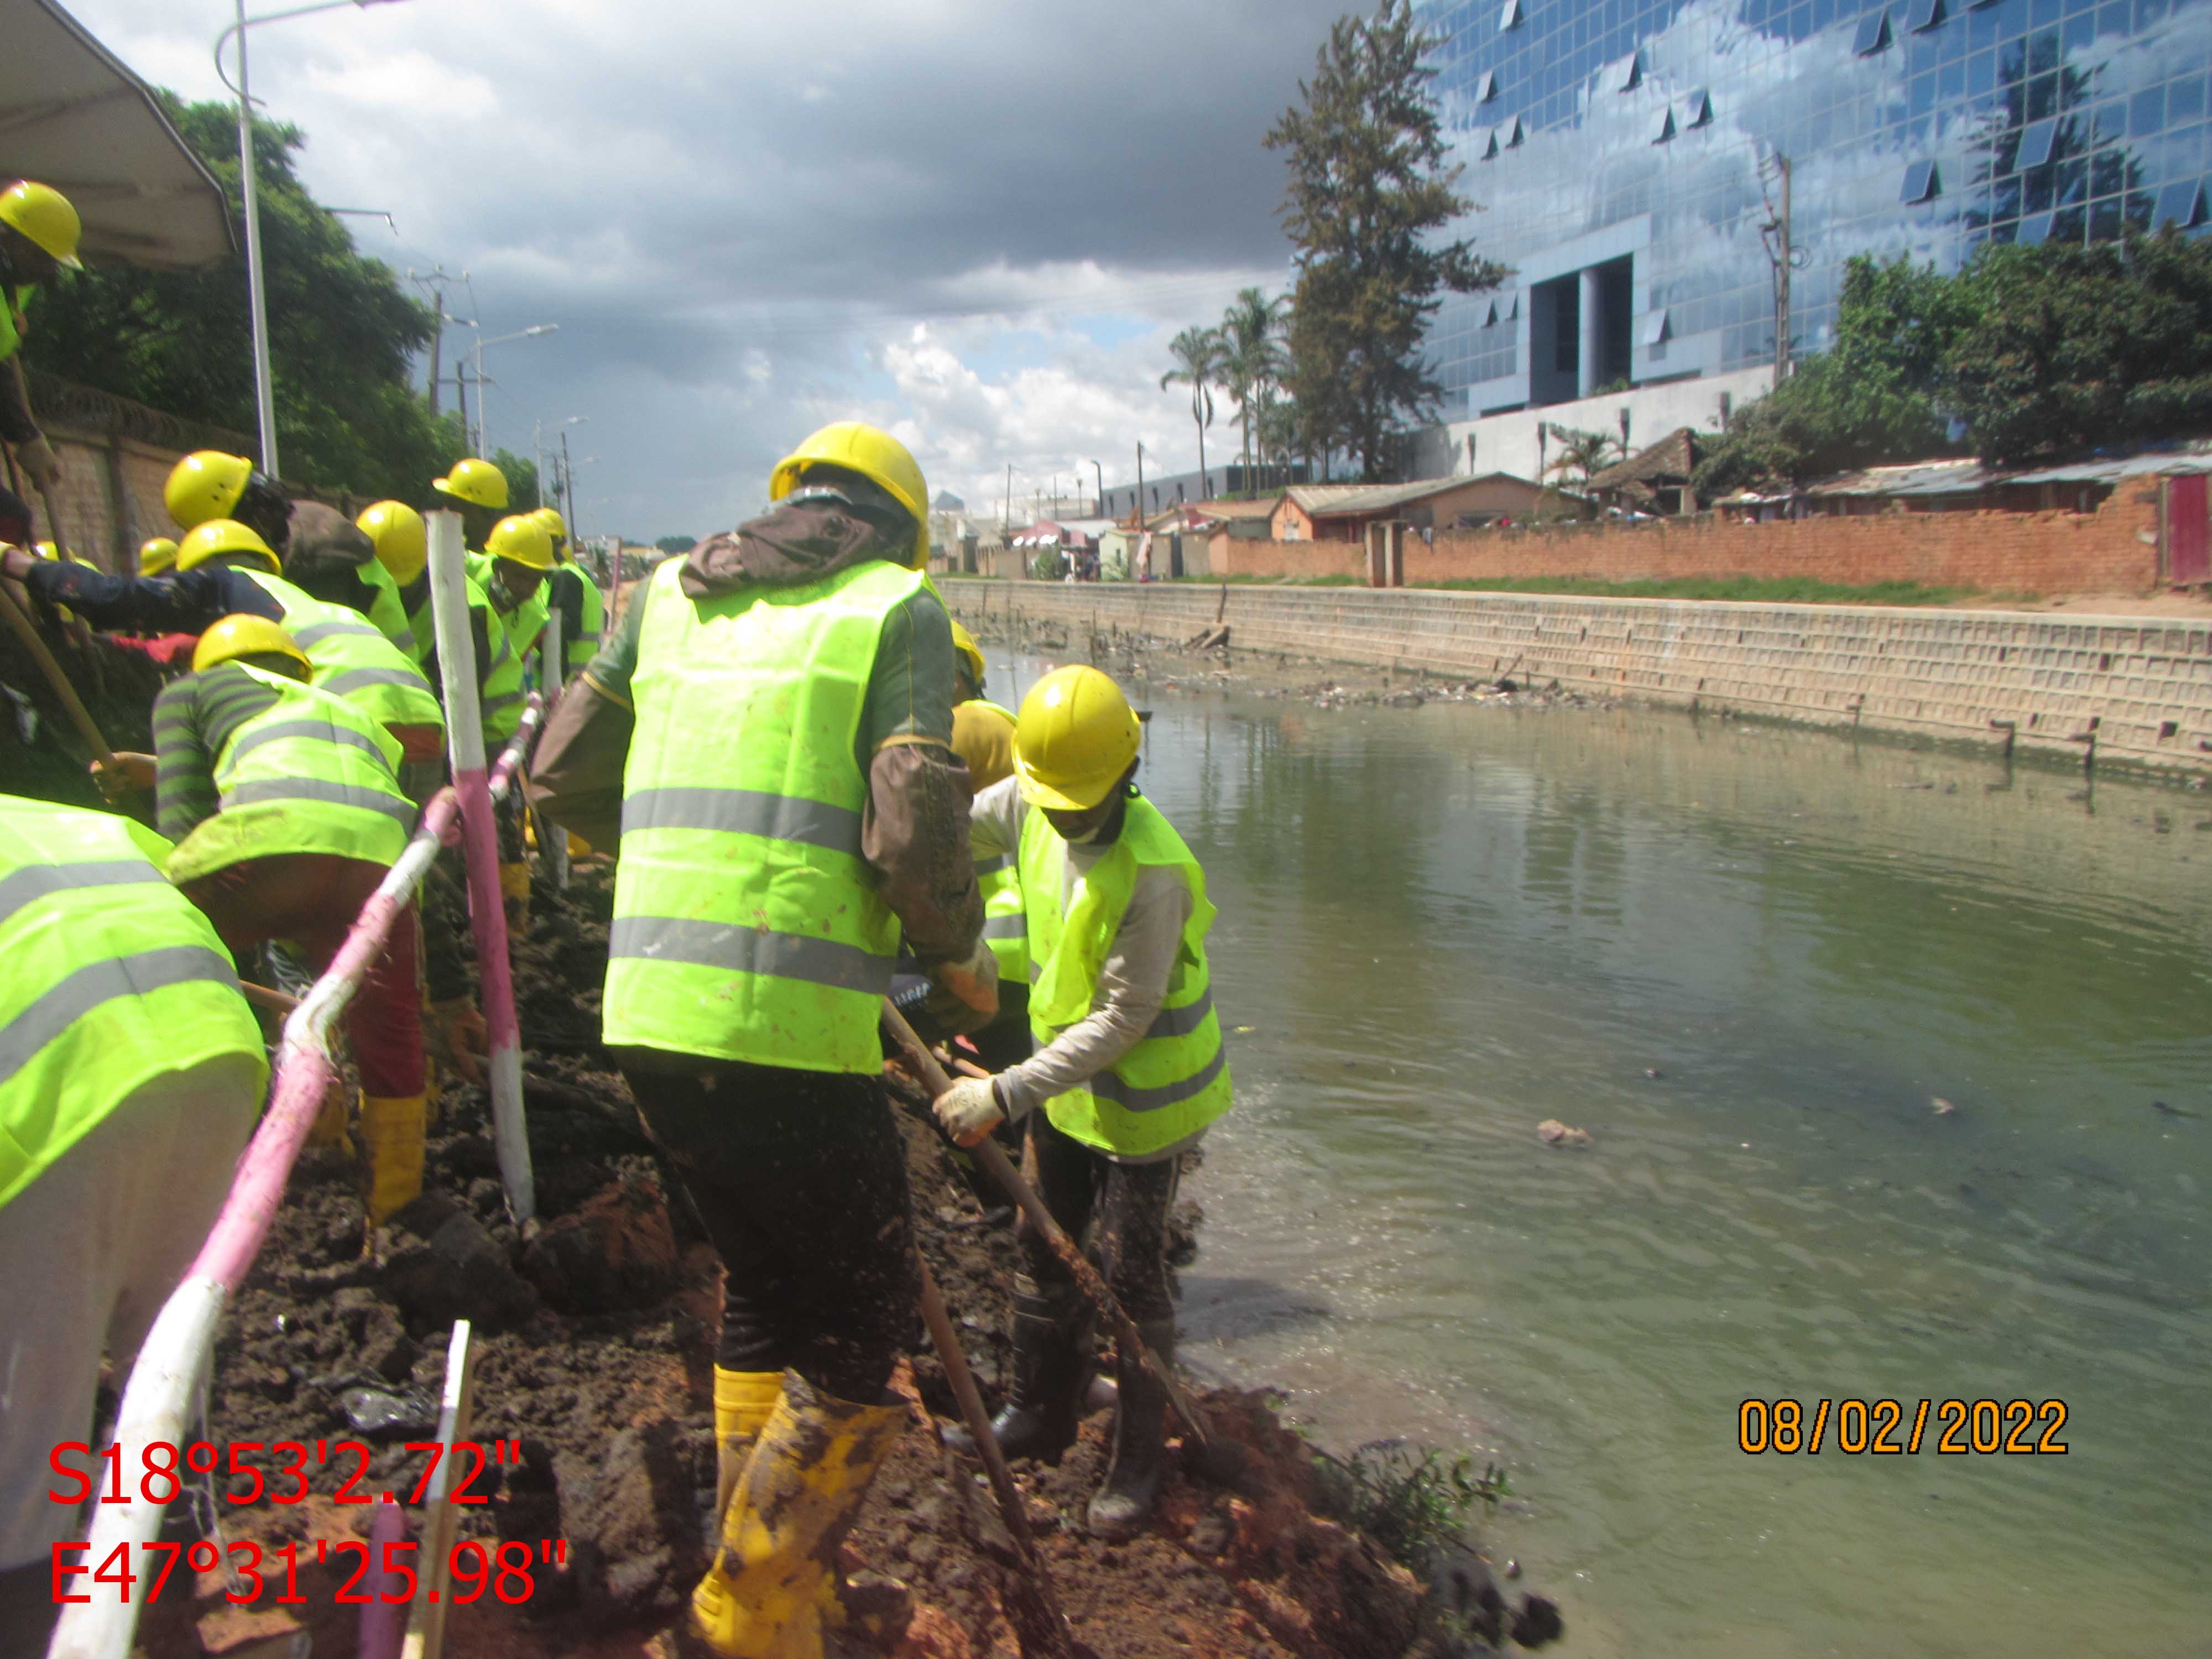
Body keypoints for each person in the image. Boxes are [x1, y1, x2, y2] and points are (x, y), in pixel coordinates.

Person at [529, 420, 994, 1659]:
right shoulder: (898, 607)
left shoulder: (660, 598)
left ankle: (764, 1573)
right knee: (859, 1331)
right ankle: (748, 1601)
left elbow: (560, 775)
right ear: (903, 527)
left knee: (767, 1289)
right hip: (779, 1028)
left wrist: (687, 870)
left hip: (647, 1017)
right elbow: (906, 828)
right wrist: (957, 953)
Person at [934, 664, 1232, 1540]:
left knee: (1131, 1278)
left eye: (1079, 802)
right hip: (1067, 1094)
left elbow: (1122, 1019)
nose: (1062, 815)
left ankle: (1138, 1464)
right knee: (1041, 1244)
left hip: (1146, 1103)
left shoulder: (1156, 871)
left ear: (1126, 776)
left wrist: (1001, 1090)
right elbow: (957, 823)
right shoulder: (1029, 803)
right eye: (1050, 798)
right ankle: (1039, 1412)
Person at [0, 795, 267, 1653]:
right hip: (214, 1047)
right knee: (164, 1357)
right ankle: (169, 1582)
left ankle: (42, 1628)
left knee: (23, 1446)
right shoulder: (56, 816)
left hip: (54, 1098)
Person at [94, 614, 429, 1226]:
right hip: (376, 867)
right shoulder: (348, 714)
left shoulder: (186, 693)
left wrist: (195, 933)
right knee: (389, 1028)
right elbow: (331, 795)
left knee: (153, 963)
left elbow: (186, 819)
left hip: (273, 846)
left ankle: (224, 1148)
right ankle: (394, 1204)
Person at [1, 517, 447, 798]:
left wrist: (17, 564)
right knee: (397, 883)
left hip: (354, 729)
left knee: (306, 872)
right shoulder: (306, 609)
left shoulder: (225, 587)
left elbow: (114, 597)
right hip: (424, 727)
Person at [0, 179, 82, 495]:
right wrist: (27, 436)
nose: (50, 271)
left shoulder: (16, 283)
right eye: (41, 256)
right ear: (7, 237)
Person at [535, 505, 604, 679]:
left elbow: (561, 634)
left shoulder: (564, 578)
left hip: (566, 682)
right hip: (581, 680)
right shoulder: (574, 576)